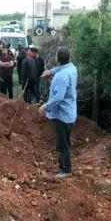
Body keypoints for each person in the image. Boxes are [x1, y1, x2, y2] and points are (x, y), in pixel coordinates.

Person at [39, 47, 78, 179]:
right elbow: (61, 69)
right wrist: (50, 71)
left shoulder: (61, 77)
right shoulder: (72, 68)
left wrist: (45, 106)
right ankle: (64, 166)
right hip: (70, 112)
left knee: (62, 143)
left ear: (57, 59)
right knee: (64, 141)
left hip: (63, 115)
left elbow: (58, 97)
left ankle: (65, 170)